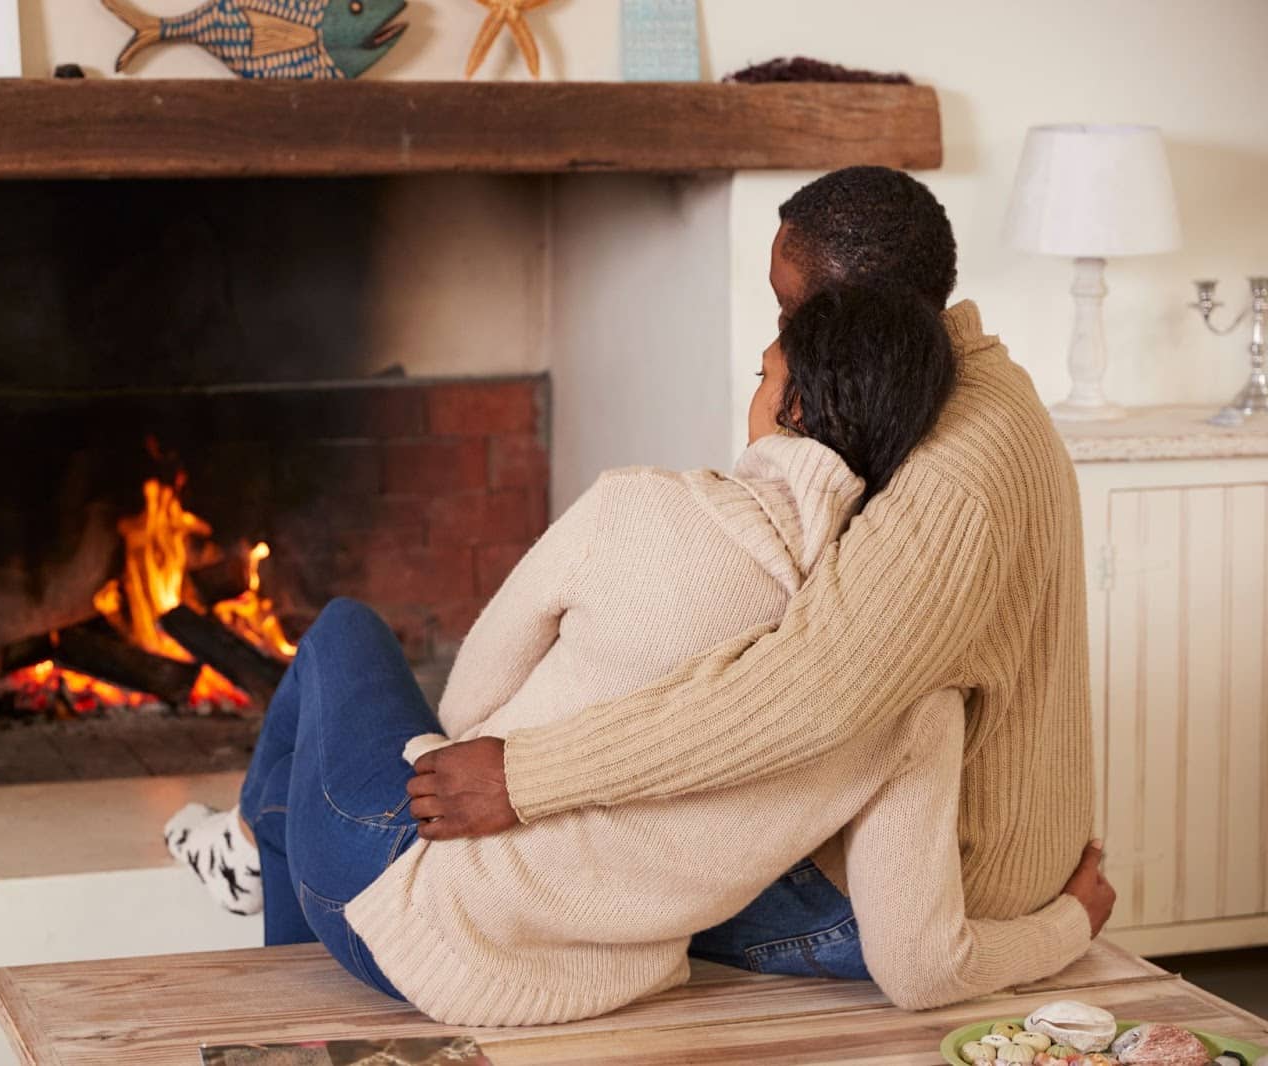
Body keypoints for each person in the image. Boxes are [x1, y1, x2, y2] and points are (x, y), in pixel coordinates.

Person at [164, 285, 1115, 1026]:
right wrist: (1069, 922)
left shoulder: (642, 507)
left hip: (394, 892)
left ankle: (255, 845)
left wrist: (488, 802)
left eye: (762, 374)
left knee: (339, 629)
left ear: (791, 412)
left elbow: (467, 713)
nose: (751, 394)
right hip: (550, 978)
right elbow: (919, 966)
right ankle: (265, 858)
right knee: (315, 793)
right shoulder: (912, 692)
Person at [406, 166, 1106, 982]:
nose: (778, 339)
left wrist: (524, 776)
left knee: (450, 839)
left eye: (790, 310)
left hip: (920, 894)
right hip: (933, 847)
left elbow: (803, 698)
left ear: (856, 309)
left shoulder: (952, 470)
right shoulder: (968, 392)